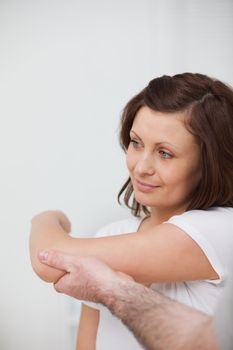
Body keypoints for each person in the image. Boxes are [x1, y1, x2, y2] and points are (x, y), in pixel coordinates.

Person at [30, 73, 233, 350]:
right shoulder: (112, 235)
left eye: (165, 153)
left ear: (209, 164)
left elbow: (49, 260)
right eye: (136, 143)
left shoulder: (221, 229)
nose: (141, 166)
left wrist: (46, 218)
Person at [38, 249, 225, 350]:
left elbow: (46, 263)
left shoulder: (219, 225)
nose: (141, 173)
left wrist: (47, 218)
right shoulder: (111, 233)